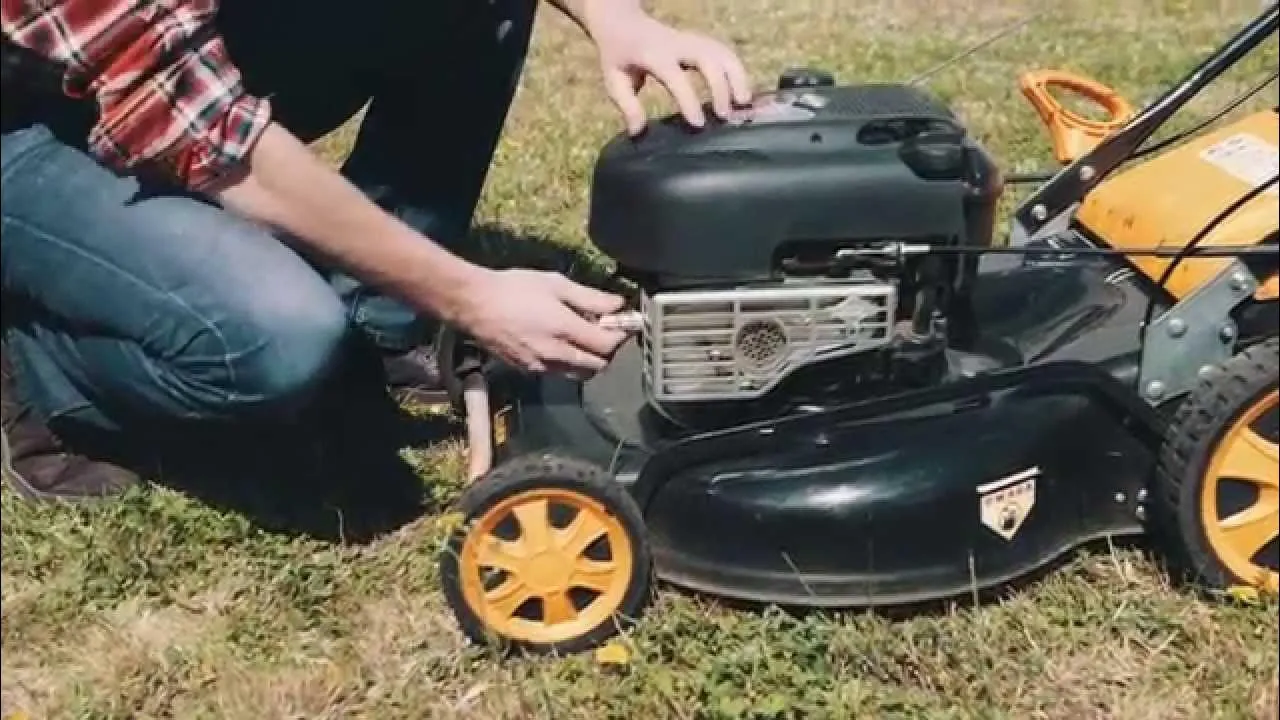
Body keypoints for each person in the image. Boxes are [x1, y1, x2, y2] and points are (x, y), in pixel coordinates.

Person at [0, 0, 753, 503]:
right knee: (279, 339)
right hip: (28, 111)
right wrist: (470, 296)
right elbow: (204, 130)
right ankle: (45, 364)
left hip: (169, 59)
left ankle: (376, 321)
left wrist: (616, 16)